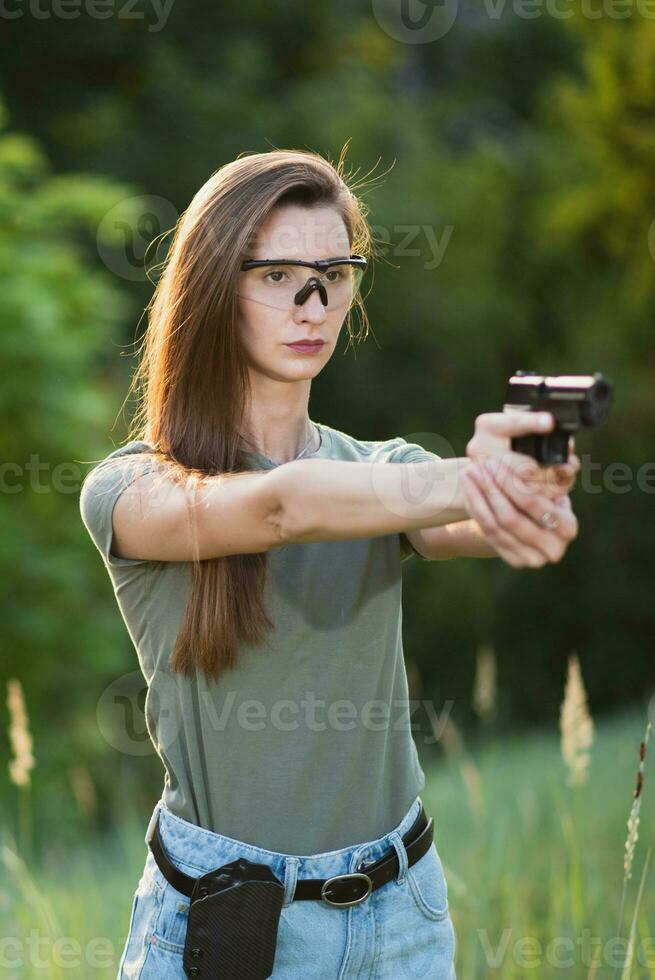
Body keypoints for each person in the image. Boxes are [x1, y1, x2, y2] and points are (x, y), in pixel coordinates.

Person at [79, 148, 579, 979]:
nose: (313, 303)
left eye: (334, 274)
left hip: (400, 916)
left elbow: (463, 526)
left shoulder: (379, 473)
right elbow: (281, 506)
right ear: (211, 287)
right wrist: (468, 477)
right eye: (276, 275)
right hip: (227, 923)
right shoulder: (130, 488)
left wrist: (530, 484)